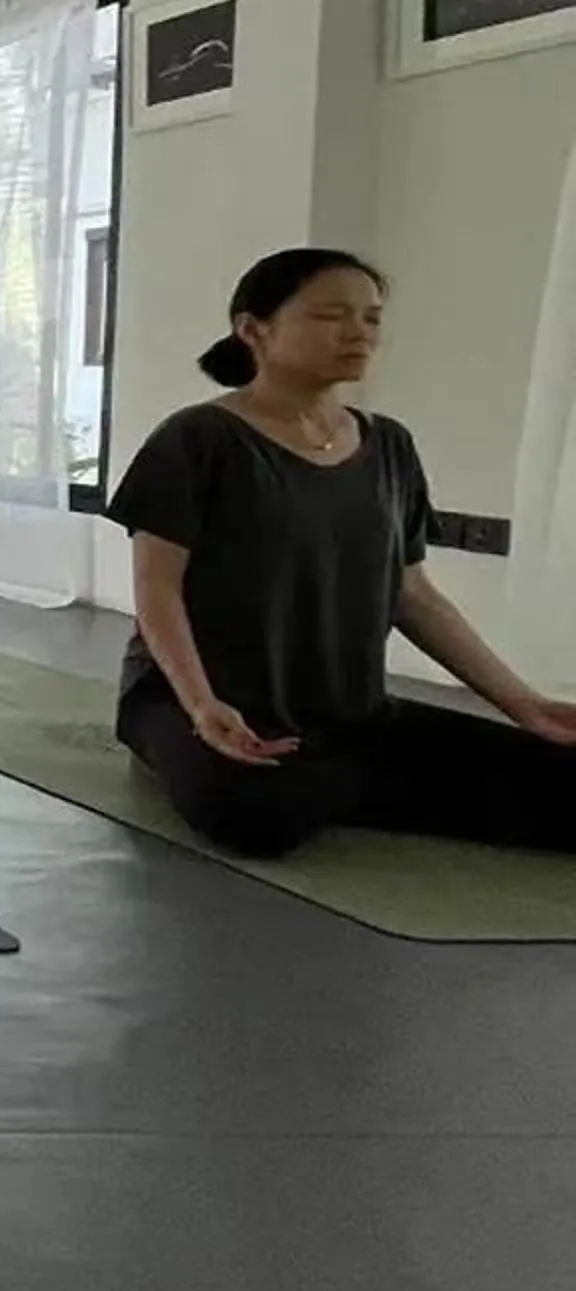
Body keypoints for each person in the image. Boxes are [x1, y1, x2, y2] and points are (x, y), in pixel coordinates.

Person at [103, 247, 576, 859]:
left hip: (347, 713)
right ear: (253, 330)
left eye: (372, 318)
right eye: (331, 316)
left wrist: (524, 704)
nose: (359, 333)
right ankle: (358, 778)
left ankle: (349, 777)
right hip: (197, 701)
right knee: (256, 816)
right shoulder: (198, 439)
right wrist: (200, 703)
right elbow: (158, 589)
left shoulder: (390, 447)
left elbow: (413, 594)